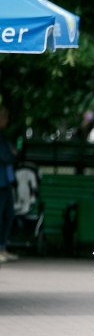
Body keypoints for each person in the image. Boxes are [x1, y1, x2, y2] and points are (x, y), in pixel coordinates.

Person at [0, 105, 18, 263]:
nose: (5, 120)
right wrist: (12, 154)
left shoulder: (3, 136)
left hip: (5, 182)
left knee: (8, 215)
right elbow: (7, 157)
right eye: (3, 117)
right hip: (1, 183)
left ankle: (2, 247)